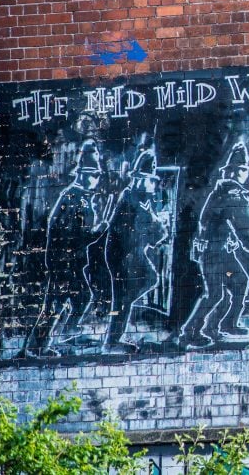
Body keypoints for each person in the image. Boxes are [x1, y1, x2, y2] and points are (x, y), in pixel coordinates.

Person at [178, 141, 249, 349]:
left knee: (239, 282)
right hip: (216, 254)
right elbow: (244, 231)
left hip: (220, 252)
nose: (245, 174)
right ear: (235, 172)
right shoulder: (233, 196)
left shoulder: (219, 192)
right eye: (243, 170)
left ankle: (224, 324)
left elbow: (213, 223)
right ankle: (191, 332)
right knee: (215, 293)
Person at [23, 140, 109, 357]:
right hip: (64, 263)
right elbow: (74, 235)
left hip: (68, 262)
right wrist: (99, 230)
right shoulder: (75, 198)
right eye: (95, 175)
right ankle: (51, 340)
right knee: (68, 301)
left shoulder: (78, 197)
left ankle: (39, 345)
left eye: (98, 175)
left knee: (61, 303)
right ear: (82, 174)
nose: (97, 180)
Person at [100, 149, 169, 354]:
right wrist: (157, 225)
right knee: (124, 297)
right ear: (140, 180)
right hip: (122, 255)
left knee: (148, 280)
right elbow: (150, 230)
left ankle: (114, 337)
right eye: (149, 180)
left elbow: (155, 235)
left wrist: (156, 227)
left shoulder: (142, 201)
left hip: (133, 253)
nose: (153, 185)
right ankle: (112, 342)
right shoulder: (131, 199)